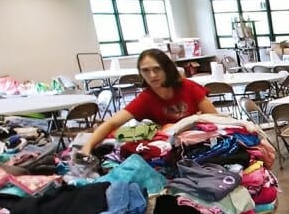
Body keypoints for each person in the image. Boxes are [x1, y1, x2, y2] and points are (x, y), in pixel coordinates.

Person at [80, 48, 218, 155]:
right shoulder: (146, 98)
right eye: (146, 71)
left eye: (157, 69)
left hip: (200, 141)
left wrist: (189, 123)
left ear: (166, 69)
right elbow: (111, 123)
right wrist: (87, 147)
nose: (152, 75)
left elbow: (215, 118)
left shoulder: (188, 87)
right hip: (171, 146)